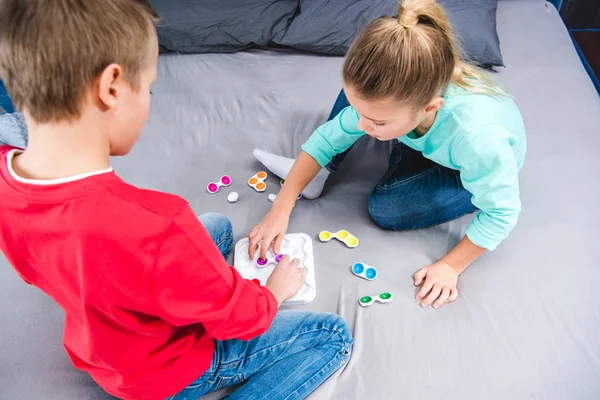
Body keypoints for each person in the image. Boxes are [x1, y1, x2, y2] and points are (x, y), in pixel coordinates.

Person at [0, 1, 352, 399]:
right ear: (111, 88)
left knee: (216, 228)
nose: (149, 98)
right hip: (170, 371)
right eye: (148, 87)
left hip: (102, 347)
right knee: (331, 335)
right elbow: (240, 320)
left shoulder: (6, 180)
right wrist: (273, 293)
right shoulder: (160, 225)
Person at [249, 0, 526, 310]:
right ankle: (324, 171)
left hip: (466, 167)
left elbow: (502, 212)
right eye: (362, 115)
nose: (362, 127)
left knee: (386, 209)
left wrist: (450, 266)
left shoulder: (477, 141)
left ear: (429, 108)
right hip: (419, 129)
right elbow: (328, 137)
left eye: (377, 123)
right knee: (364, 98)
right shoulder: (395, 100)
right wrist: (281, 209)